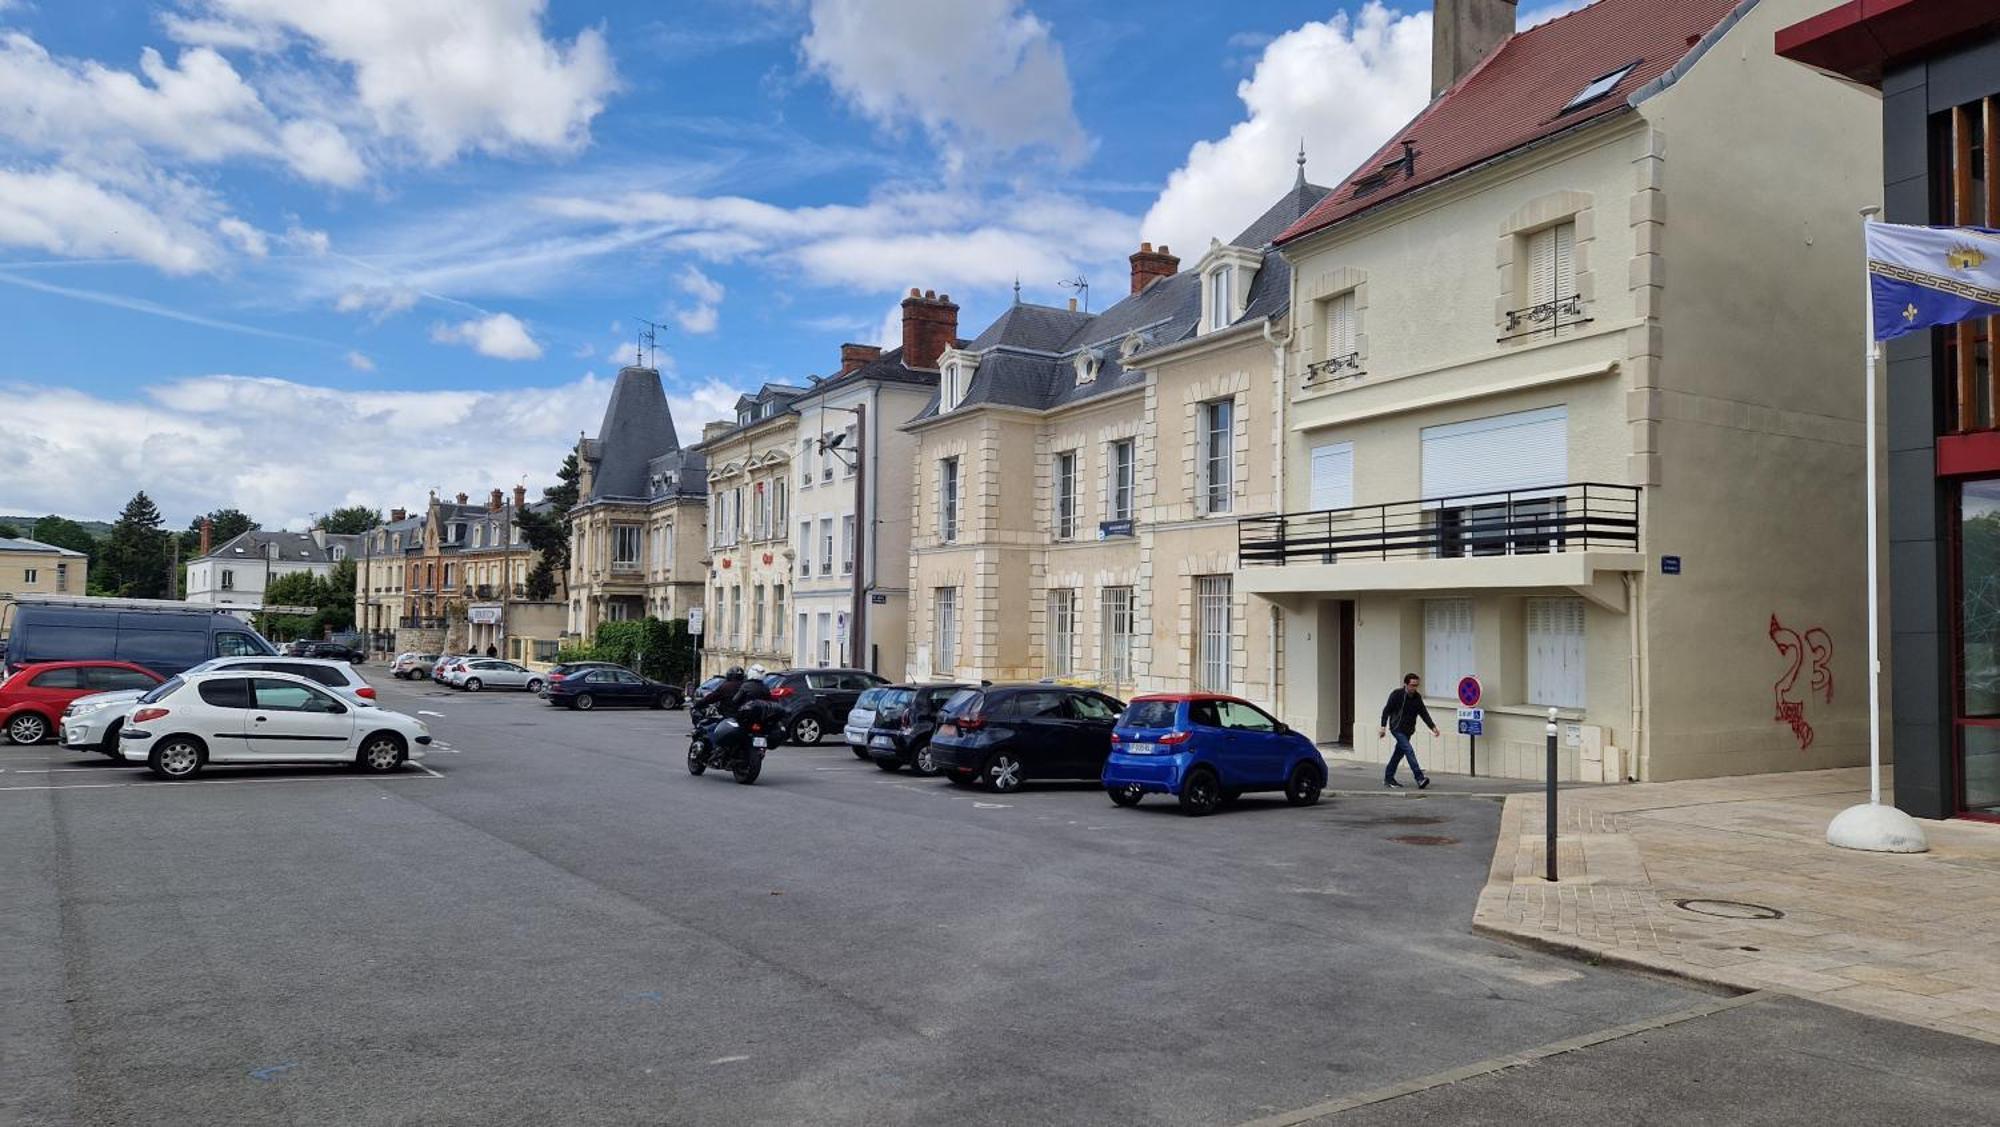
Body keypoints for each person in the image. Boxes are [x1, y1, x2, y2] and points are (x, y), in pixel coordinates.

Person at [1378, 672, 1437, 789]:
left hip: (1408, 730)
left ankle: (1389, 778)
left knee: (1398, 755)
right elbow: (1386, 710)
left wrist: (1433, 727)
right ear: (1405, 684)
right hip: (1397, 728)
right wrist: (1383, 727)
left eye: (1416, 685)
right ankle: (1420, 778)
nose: (1414, 688)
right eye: (1412, 685)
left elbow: (1423, 713)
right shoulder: (1397, 695)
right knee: (1409, 750)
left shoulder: (1417, 697)